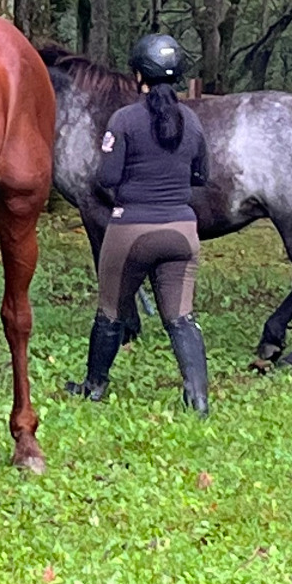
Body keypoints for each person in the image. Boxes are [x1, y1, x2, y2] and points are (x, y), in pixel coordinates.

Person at [67, 33, 211, 413]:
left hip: (131, 230)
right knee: (182, 318)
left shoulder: (124, 120)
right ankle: (198, 400)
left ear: (138, 76)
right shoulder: (192, 121)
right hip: (182, 231)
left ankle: (95, 387)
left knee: (110, 311)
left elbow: (107, 178)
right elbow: (202, 176)